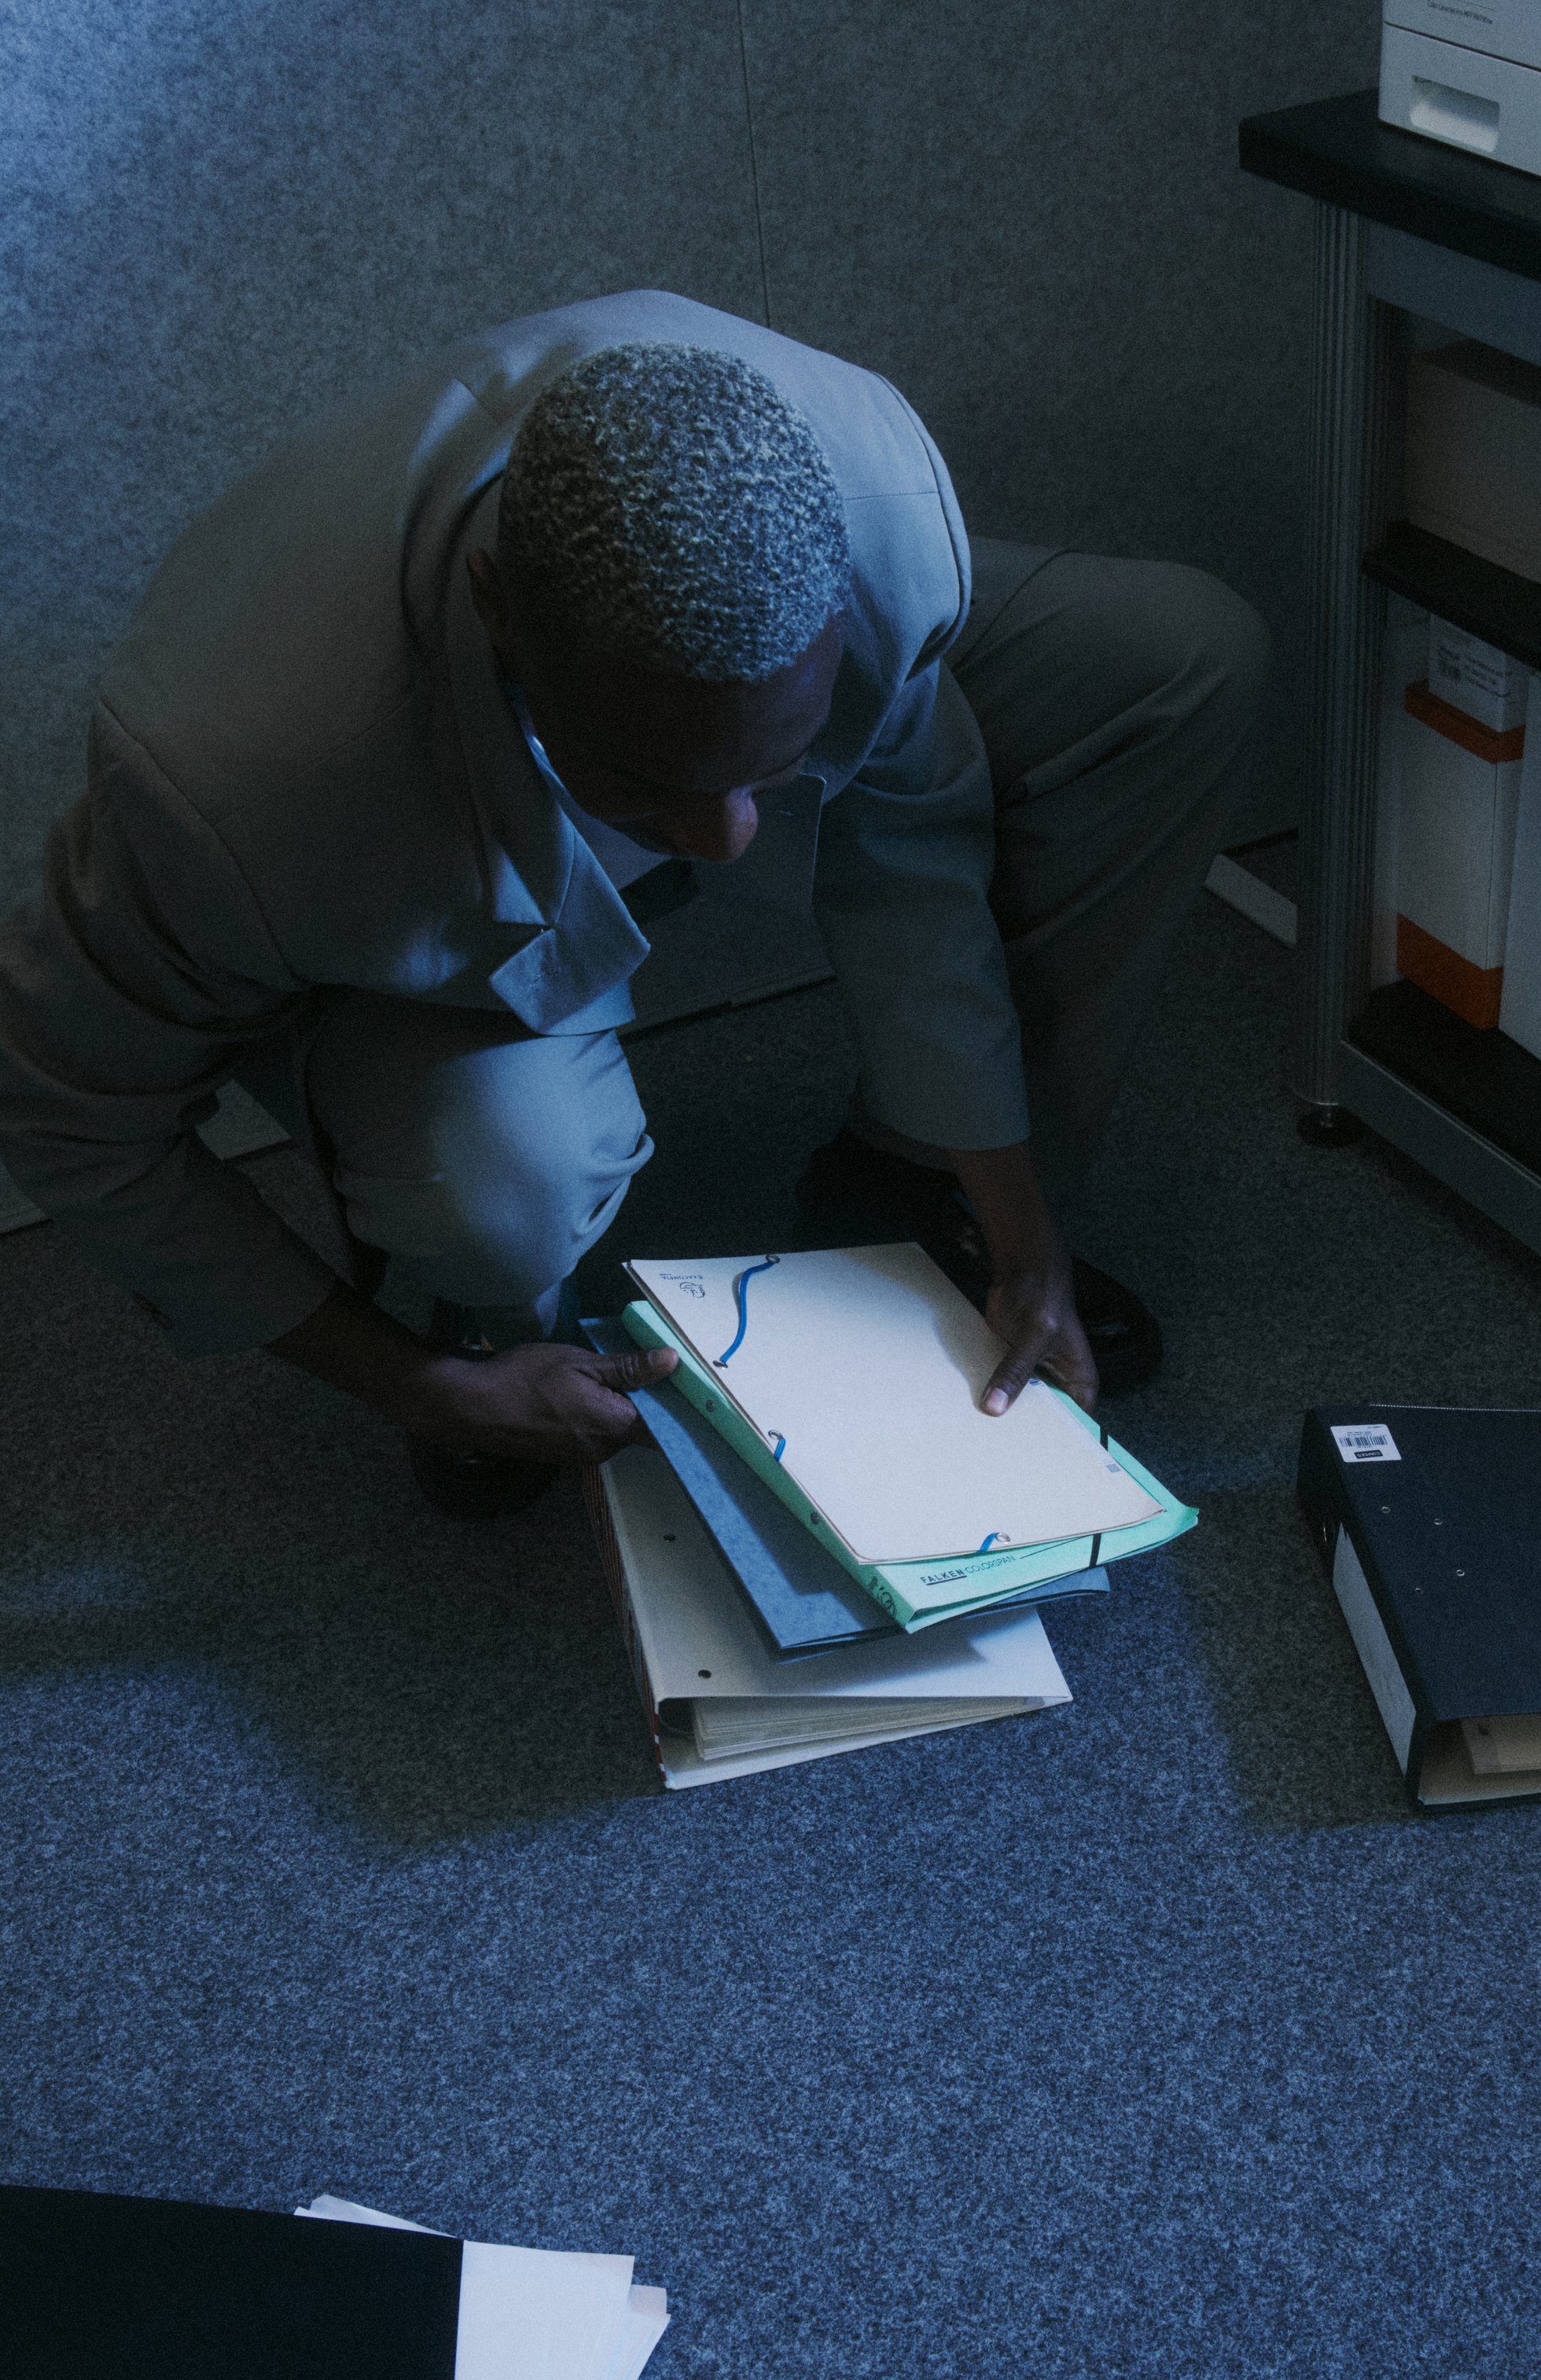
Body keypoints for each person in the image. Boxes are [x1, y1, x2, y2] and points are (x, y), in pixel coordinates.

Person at [0, 293, 1267, 1515]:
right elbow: (68, 1114)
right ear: (501, 612)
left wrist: (1020, 1221)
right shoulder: (230, 781)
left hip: (726, 619)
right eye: (649, 777)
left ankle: (905, 1186)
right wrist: (428, 1389)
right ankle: (491, 1317)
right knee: (499, 1187)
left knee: (1177, 657)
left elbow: (914, 850)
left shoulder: (881, 518)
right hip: (394, 823)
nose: (729, 844)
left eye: (772, 763)